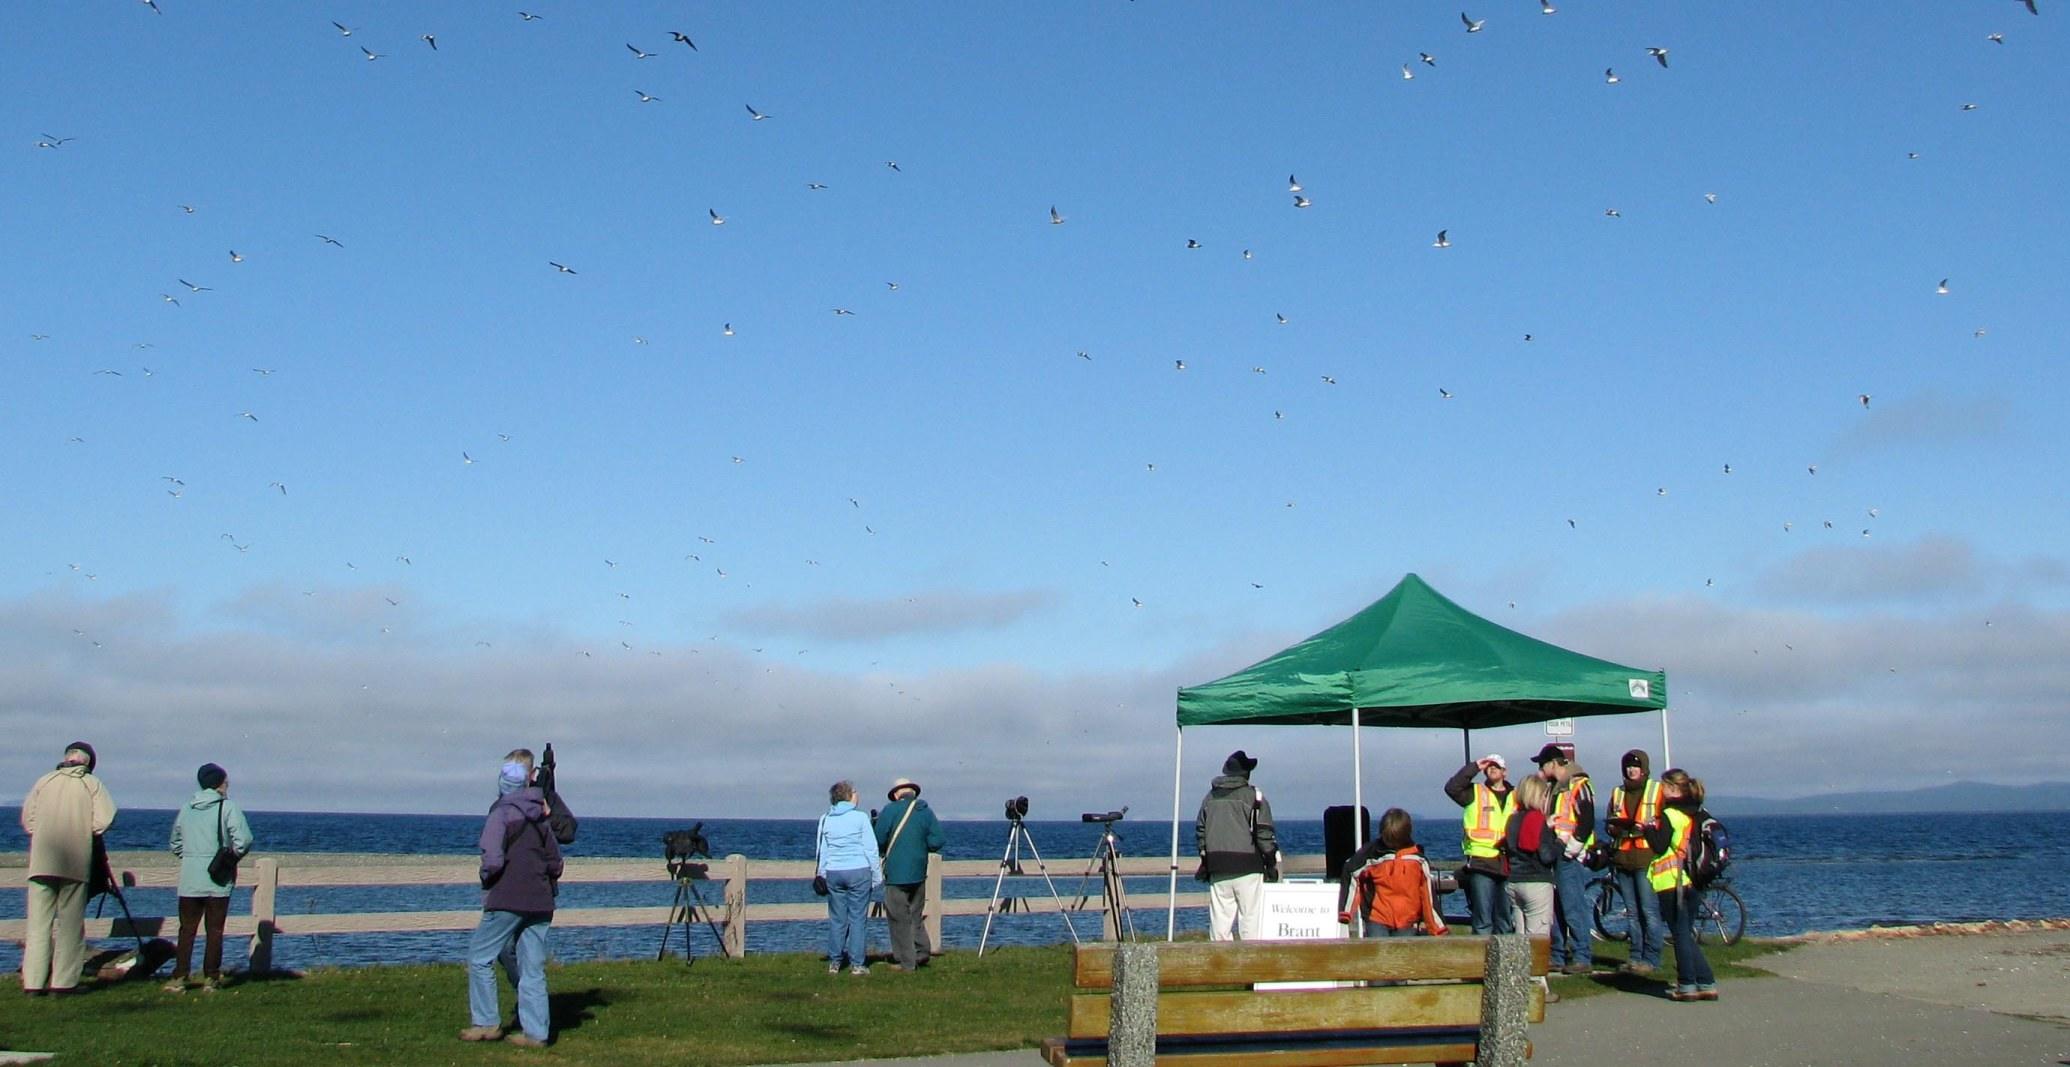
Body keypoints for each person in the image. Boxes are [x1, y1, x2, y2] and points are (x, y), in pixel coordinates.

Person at [461, 752, 563, 1048]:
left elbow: (492, 859)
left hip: (506, 897)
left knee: (480, 957)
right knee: (532, 968)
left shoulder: (500, 814)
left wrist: (486, 878)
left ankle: (486, 1022)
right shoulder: (541, 817)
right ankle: (536, 1033)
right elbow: (556, 862)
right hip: (541, 900)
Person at [20, 741, 116, 996]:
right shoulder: (91, 784)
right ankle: (63, 983)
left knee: (38, 925)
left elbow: (28, 819)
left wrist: (40, 833)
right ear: (88, 763)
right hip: (74, 863)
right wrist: (86, 832)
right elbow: (106, 818)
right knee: (70, 928)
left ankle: (33, 982)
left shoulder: (45, 781)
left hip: (41, 862)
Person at [164, 762, 253, 993]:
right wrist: (230, 857)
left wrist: (192, 857)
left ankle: (180, 976)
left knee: (186, 929)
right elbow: (244, 840)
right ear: (219, 784)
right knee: (214, 930)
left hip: (190, 877)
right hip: (218, 879)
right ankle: (211, 977)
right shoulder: (228, 807)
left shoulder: (187, 808)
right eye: (226, 782)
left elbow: (175, 842)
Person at [1195, 750, 1279, 941]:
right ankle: (1249, 964)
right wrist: (1270, 860)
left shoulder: (1210, 798)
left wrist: (1206, 857)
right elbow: (1264, 833)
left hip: (1217, 865)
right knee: (1250, 920)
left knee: (1220, 924)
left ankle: (1220, 964)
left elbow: (1201, 831)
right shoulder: (1254, 797)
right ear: (1246, 773)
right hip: (1249, 866)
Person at [1655, 769, 1719, 1002]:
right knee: (1685, 933)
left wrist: (1650, 830)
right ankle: (1705, 981)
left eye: (1662, 786)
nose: (1659, 790)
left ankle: (1687, 983)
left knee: (1680, 933)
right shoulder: (1696, 812)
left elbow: (1661, 846)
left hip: (1673, 880)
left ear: (1672, 789)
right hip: (1693, 880)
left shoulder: (1671, 814)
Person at [1533, 743, 1596, 975]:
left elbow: (1587, 819)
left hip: (1569, 855)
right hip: (1554, 853)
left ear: (1552, 764)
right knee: (1555, 908)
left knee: (1573, 906)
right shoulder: (1552, 789)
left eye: (1542, 764)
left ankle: (1582, 955)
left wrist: (1572, 848)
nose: (1540, 770)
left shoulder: (1579, 785)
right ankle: (1557, 954)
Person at [1602, 748, 1666, 975]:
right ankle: (1635, 956)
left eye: (1635, 766)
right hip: (1623, 857)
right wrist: (1613, 827)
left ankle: (1652, 957)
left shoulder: (1657, 790)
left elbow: (1664, 823)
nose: (1631, 770)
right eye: (1628, 766)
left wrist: (1646, 828)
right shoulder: (1617, 792)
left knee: (1649, 911)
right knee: (1631, 912)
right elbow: (1609, 820)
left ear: (1644, 769)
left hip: (1645, 857)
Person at [1337, 808, 1447, 937]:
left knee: (1402, 956)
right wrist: (1346, 911)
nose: (1391, 843)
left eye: (1394, 839)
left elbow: (1428, 894)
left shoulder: (1418, 860)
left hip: (1408, 920)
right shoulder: (1371, 853)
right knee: (1378, 955)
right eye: (1387, 838)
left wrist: (1437, 926)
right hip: (1377, 918)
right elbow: (1350, 871)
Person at [874, 777, 944, 972]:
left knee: (898, 918)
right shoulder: (925, 812)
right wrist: (921, 847)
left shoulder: (890, 811)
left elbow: (878, 839)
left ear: (896, 794)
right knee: (915, 915)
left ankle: (907, 962)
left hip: (896, 873)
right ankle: (922, 952)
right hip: (919, 872)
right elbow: (937, 840)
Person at [1504, 775, 1563, 1004]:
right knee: (1538, 936)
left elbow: (1520, 842)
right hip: (1536, 882)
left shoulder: (1512, 819)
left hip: (1514, 881)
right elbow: (1546, 855)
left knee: (1520, 937)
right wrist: (1560, 841)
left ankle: (1519, 985)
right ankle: (1539, 988)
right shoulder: (1538, 819)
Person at [1444, 753, 1515, 934]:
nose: (1492, 769)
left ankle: (1504, 959)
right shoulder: (1474, 792)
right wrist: (1475, 766)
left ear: (1505, 772)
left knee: (1505, 918)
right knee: (1482, 918)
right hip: (1481, 862)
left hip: (1508, 862)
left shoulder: (1517, 795)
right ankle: (1481, 957)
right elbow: (1452, 788)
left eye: (1496, 766)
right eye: (1489, 766)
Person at [816, 780, 882, 974]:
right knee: (858, 918)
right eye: (855, 791)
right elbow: (871, 848)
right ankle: (857, 963)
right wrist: (876, 875)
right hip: (859, 870)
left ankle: (835, 961)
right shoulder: (860, 818)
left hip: (834, 872)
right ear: (849, 796)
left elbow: (822, 850)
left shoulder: (826, 818)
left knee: (837, 918)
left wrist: (822, 873)